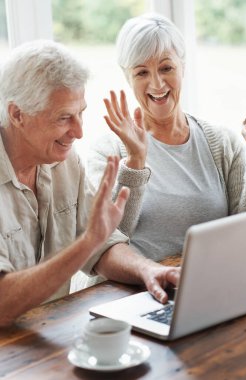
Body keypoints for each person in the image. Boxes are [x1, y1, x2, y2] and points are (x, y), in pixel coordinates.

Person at [0, 39, 180, 327]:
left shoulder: (64, 161)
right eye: (64, 118)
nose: (79, 132)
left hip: (48, 334)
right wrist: (87, 243)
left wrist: (148, 270)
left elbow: (102, 245)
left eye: (81, 112)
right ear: (17, 114)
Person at [87, 13, 246, 262]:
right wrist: (135, 161)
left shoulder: (222, 144)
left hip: (208, 288)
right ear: (127, 77)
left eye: (166, 68)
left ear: (183, 66)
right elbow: (104, 242)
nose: (156, 84)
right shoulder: (107, 151)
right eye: (142, 73)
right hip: (133, 293)